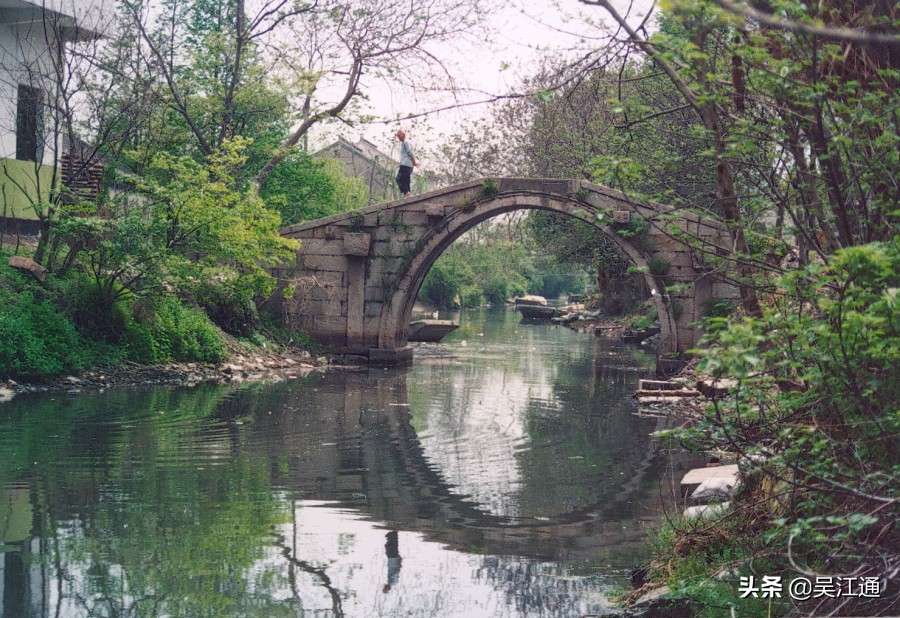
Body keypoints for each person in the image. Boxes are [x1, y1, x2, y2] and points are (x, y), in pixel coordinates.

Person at [395, 129, 419, 197]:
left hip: (405, 164)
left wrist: (414, 162)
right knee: (406, 179)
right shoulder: (404, 143)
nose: (399, 138)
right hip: (409, 165)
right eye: (398, 136)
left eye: (399, 136)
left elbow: (410, 152)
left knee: (399, 178)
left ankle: (406, 193)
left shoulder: (406, 142)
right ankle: (408, 194)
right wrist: (413, 163)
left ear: (403, 135)